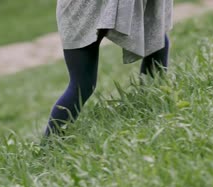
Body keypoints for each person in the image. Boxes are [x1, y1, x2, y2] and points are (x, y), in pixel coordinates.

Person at [45, 0, 173, 136]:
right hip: (81, 8)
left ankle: (153, 104)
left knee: (155, 37)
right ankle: (48, 144)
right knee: (82, 85)